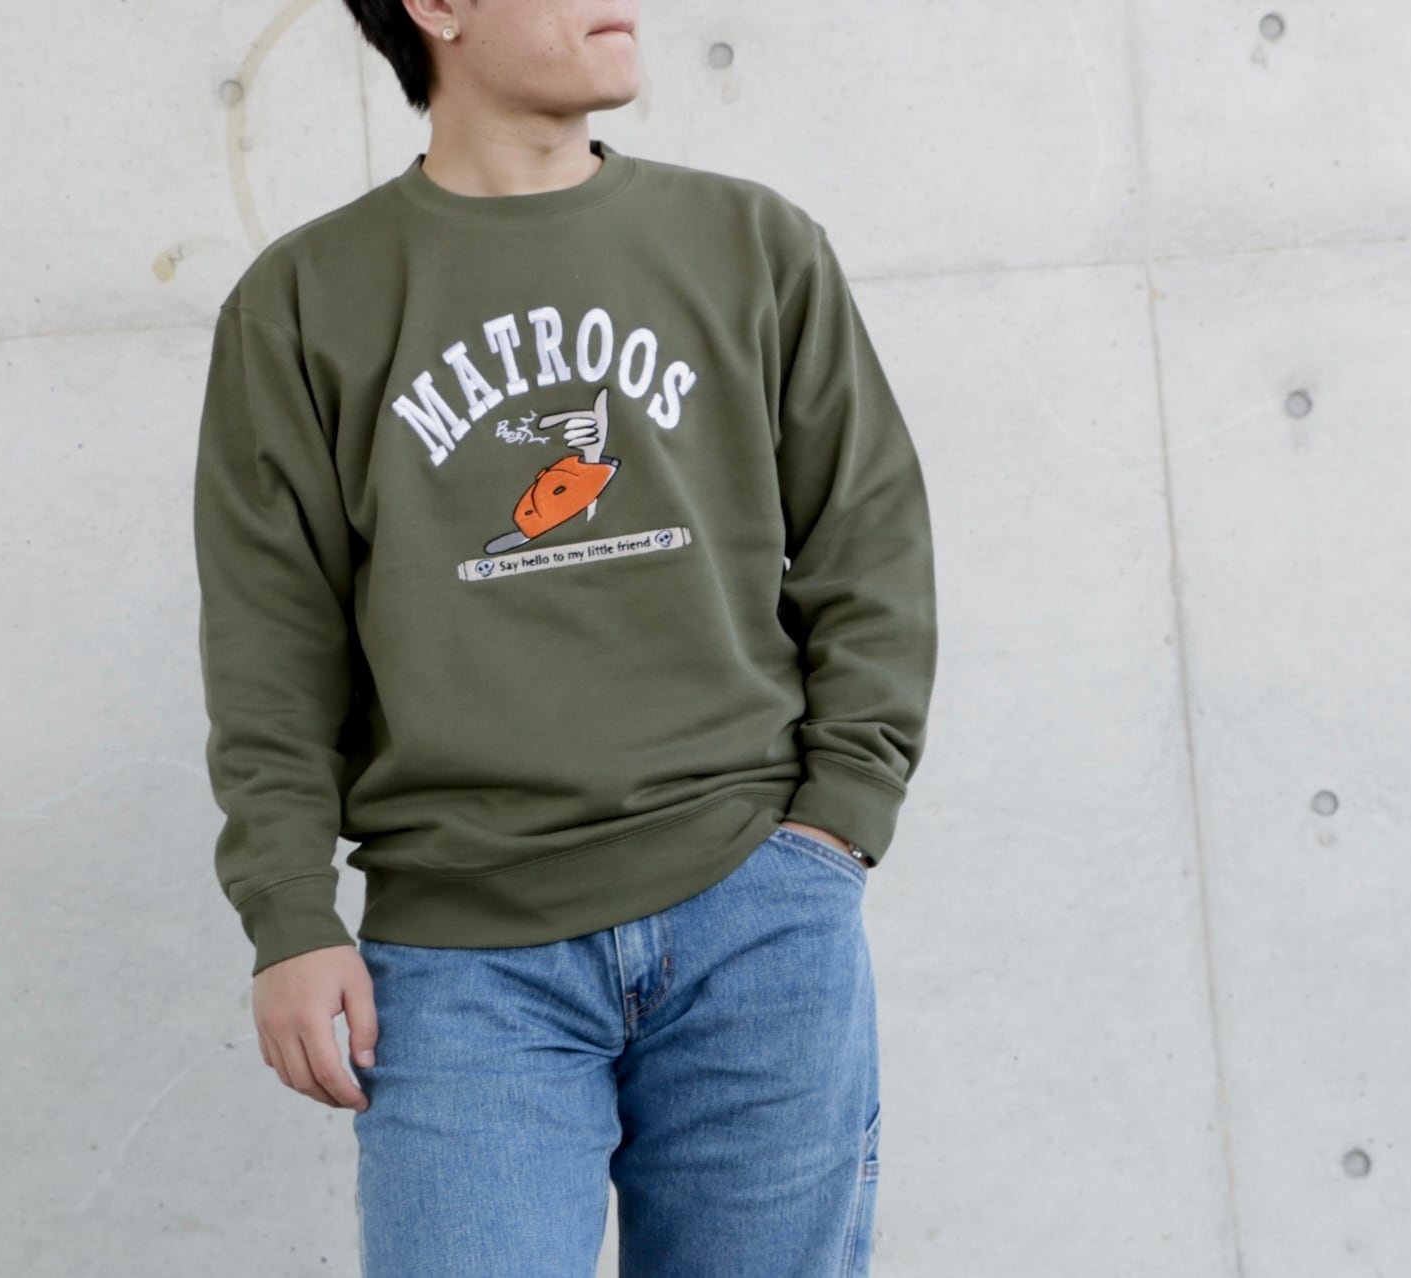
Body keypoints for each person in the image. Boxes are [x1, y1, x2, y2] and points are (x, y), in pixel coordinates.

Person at [190, 0, 938, 1272]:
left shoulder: (752, 244)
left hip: (755, 910)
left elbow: (868, 541)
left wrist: (836, 827)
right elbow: (272, 640)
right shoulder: (305, 302)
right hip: (463, 960)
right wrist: (290, 912)